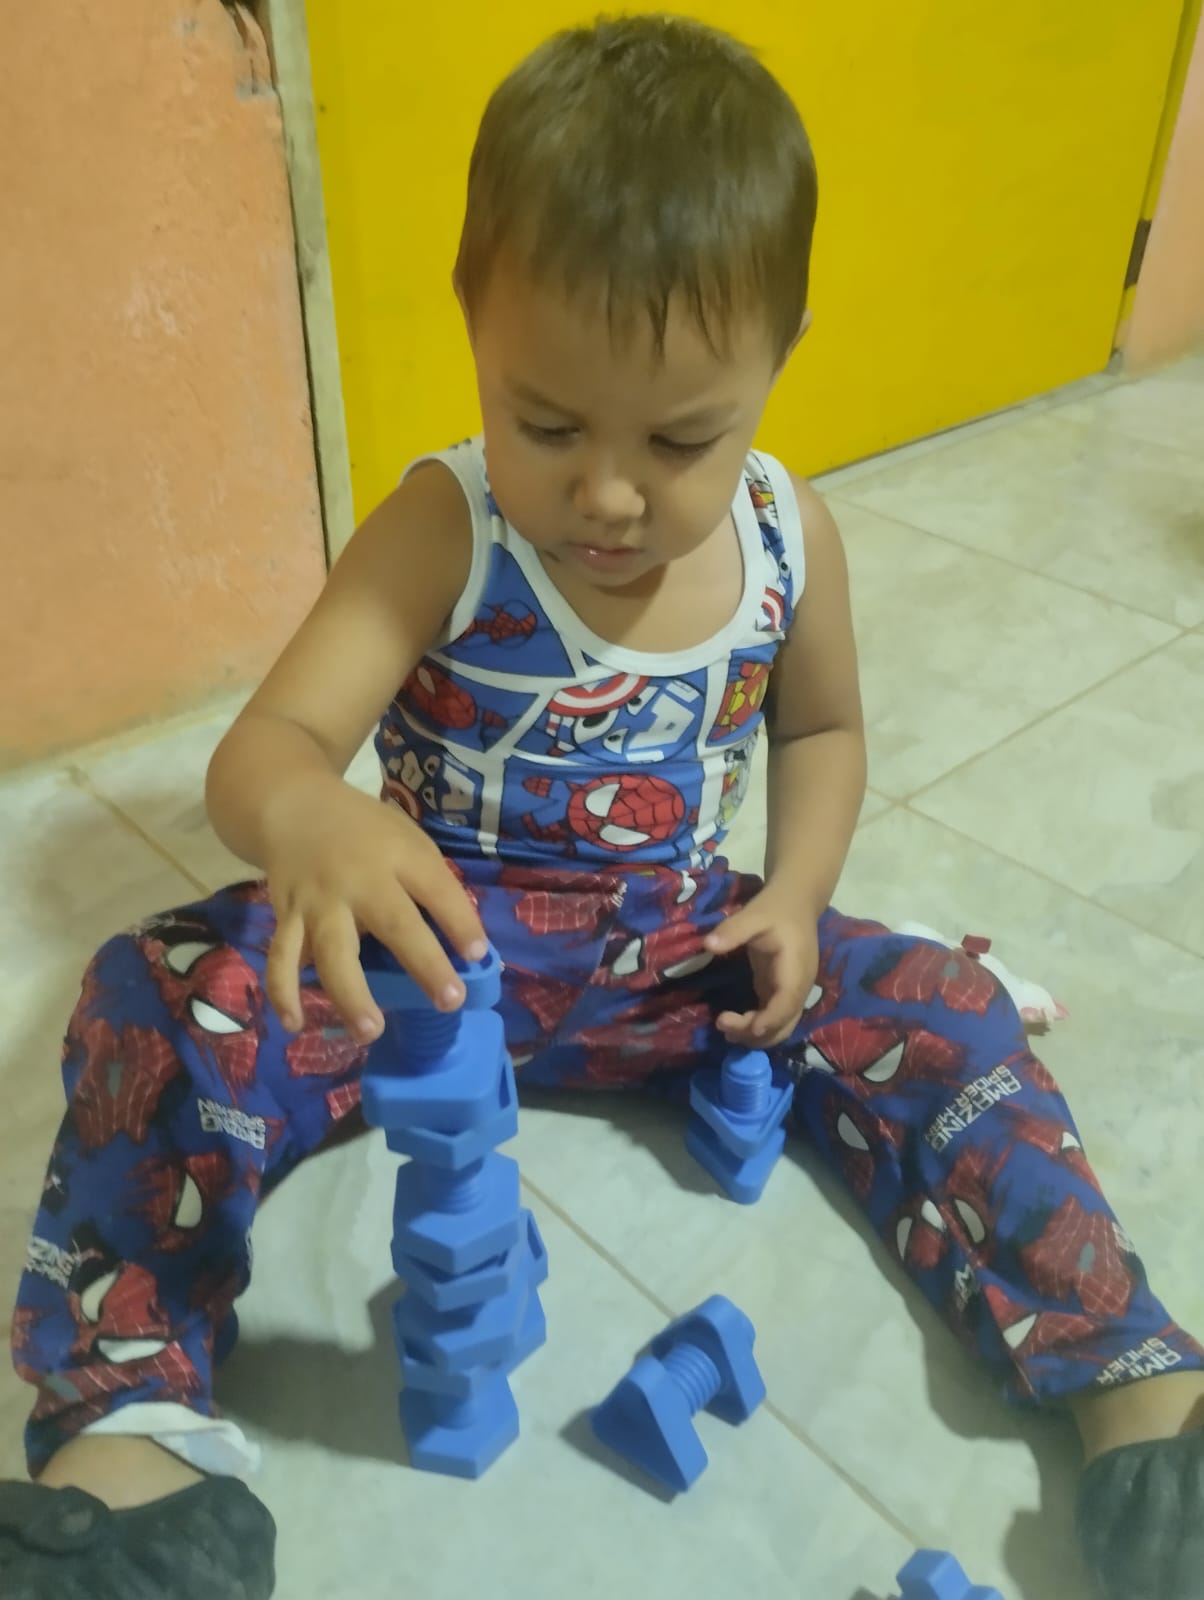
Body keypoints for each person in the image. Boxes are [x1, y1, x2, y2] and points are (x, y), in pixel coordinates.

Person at [2, 15, 1201, 1600]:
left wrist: (794, 895)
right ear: (476, 324)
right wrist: (314, 816)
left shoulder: (791, 540)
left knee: (949, 1009)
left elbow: (824, 727)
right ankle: (128, 1435)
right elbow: (264, 749)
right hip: (419, 964)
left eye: (681, 437)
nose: (611, 495)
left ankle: (1133, 1386)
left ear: (780, 355)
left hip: (682, 957)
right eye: (550, 424)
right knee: (156, 994)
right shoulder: (444, 525)